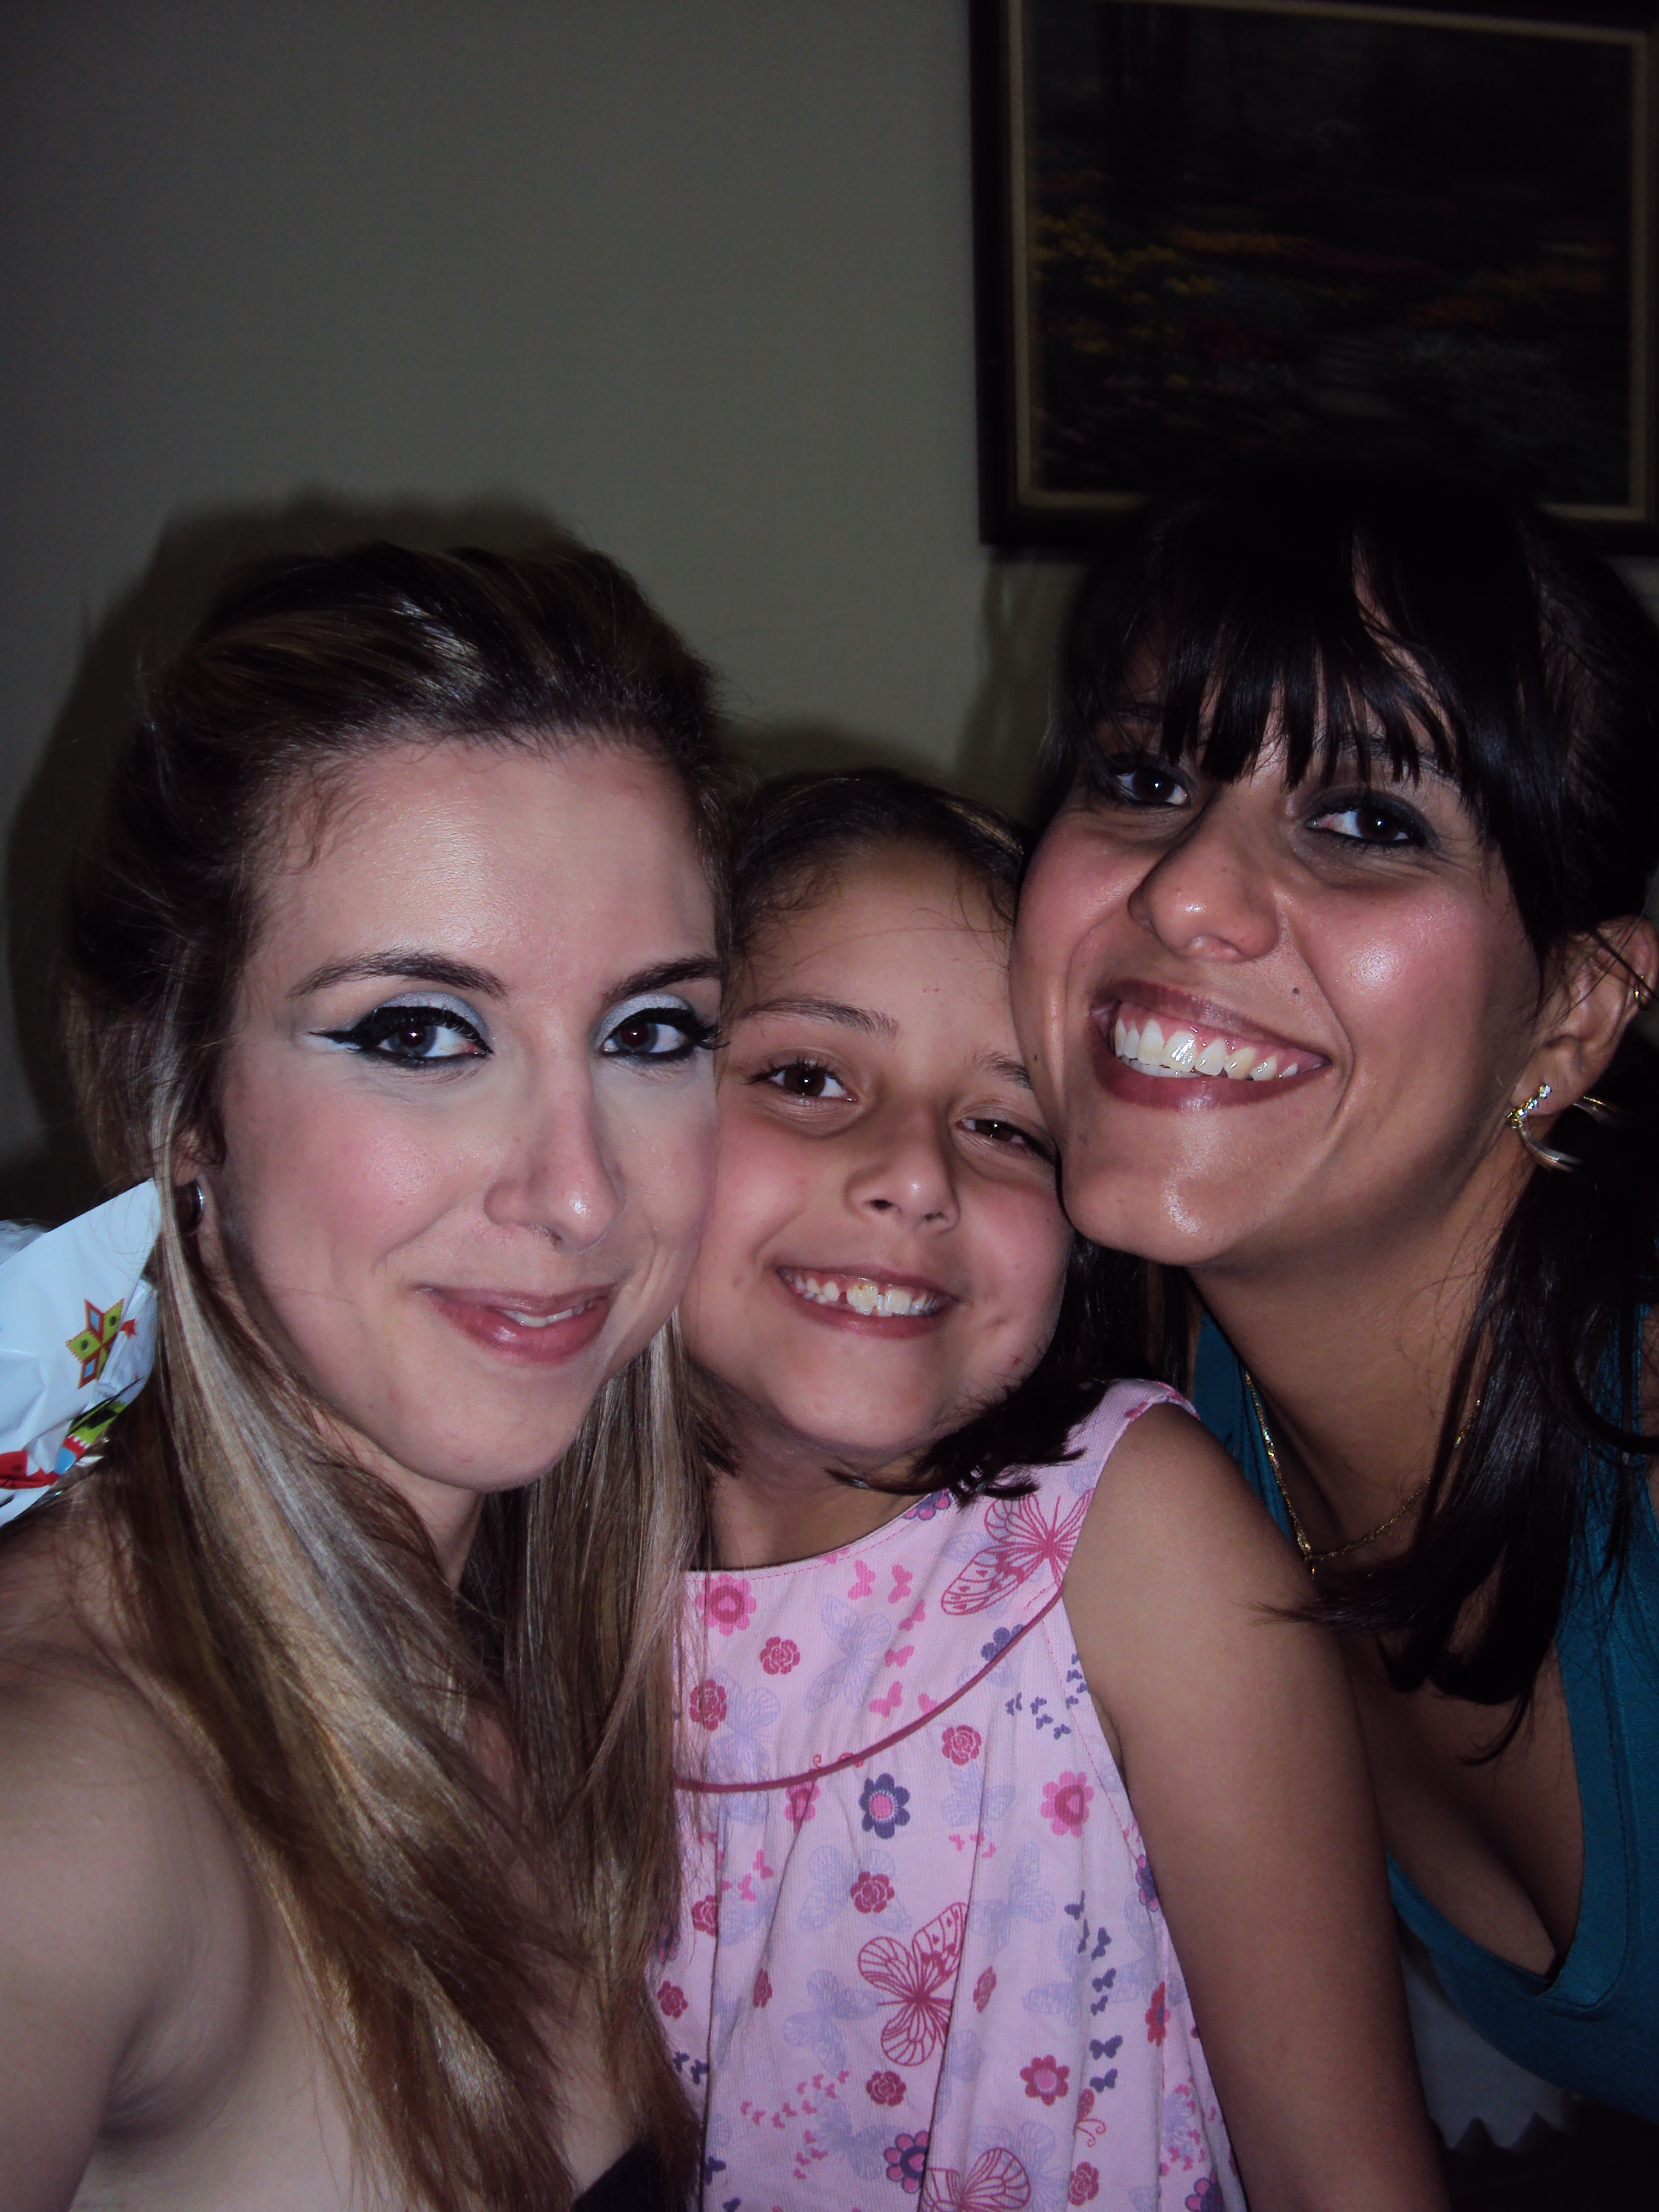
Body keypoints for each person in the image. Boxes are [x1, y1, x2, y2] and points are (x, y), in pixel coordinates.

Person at [0, 542, 732, 2211]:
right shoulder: (81, 1790)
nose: (578, 1195)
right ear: (180, 1096)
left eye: (649, 1033)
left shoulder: (547, 1644)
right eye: (417, 1033)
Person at [665, 769, 1447, 2209]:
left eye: (1005, 1128)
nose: (913, 1175)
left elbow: (1346, 2178)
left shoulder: (1132, 1538)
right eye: (808, 1077)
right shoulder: (521, 1576)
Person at [1010, 472, 1659, 2182]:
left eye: (1368, 820)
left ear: (1576, 1013)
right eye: (1144, 779)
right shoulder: (1153, 1421)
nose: (1189, 895)